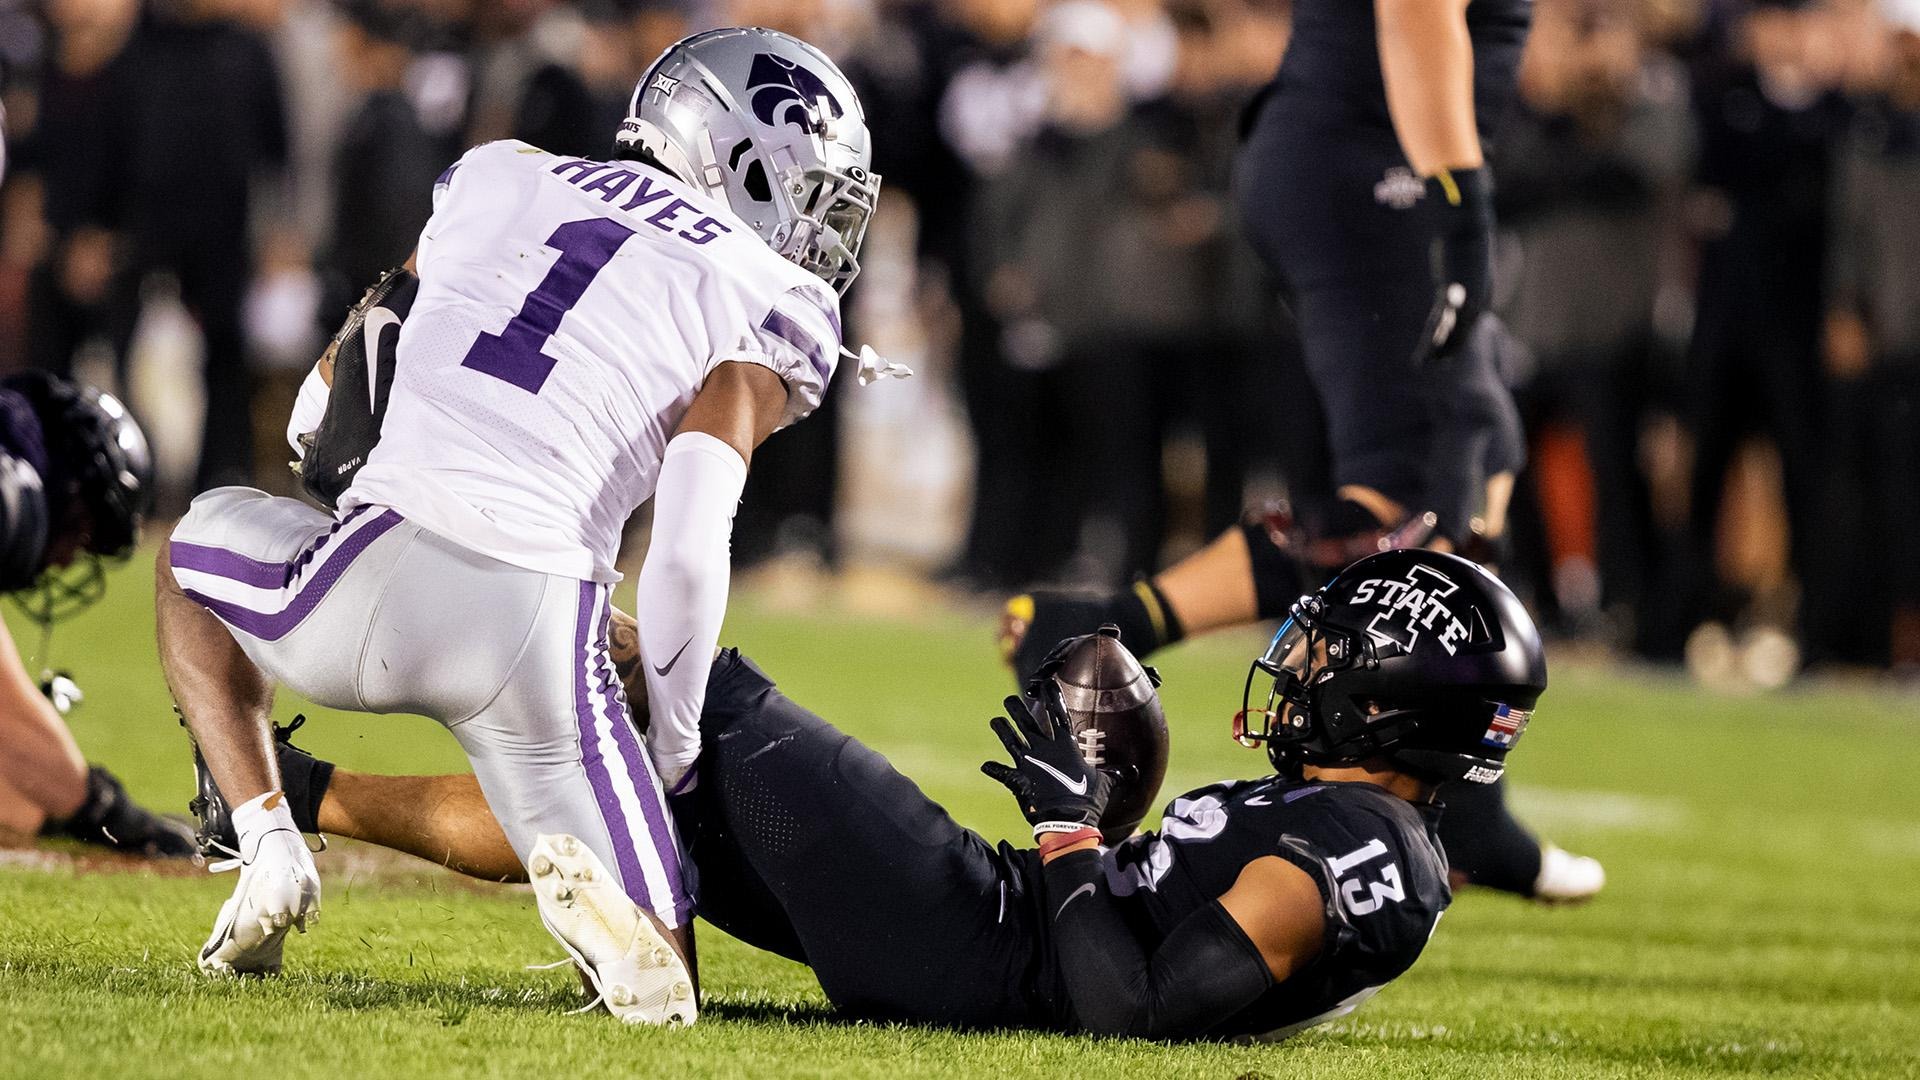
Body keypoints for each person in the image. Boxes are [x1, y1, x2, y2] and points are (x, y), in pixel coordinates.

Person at [154, 28, 883, 1026]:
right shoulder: (772, 292)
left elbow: (325, 402)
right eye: (809, 190)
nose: (818, 230)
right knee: (661, 995)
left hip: (355, 581)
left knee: (193, 549)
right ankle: (599, 889)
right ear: (736, 152)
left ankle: (266, 834)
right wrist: (668, 748)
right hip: (535, 624)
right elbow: (687, 536)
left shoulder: (498, 175)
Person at [189, 549, 1547, 1039]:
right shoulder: (1360, 825)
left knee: (691, 683)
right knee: (636, 811)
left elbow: (1132, 1011)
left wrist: (1071, 832)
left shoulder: (1368, 851)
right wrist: (1089, 847)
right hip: (988, 926)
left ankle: (465, 573)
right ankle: (293, 789)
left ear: (1395, 699)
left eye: (1326, 657)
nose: (1297, 671)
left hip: (983, 939)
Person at [1000, 0, 1602, 903]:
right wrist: (1462, 203)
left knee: (1470, 456)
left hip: (1354, 155)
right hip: (1378, 165)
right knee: (1424, 493)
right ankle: (1460, 805)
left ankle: (1100, 623)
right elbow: (1416, 13)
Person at [0, 371, 189, 857]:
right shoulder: (9, 492)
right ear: (66, 486)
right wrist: (107, 813)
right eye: (84, 531)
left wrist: (48, 811)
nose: (65, 561)